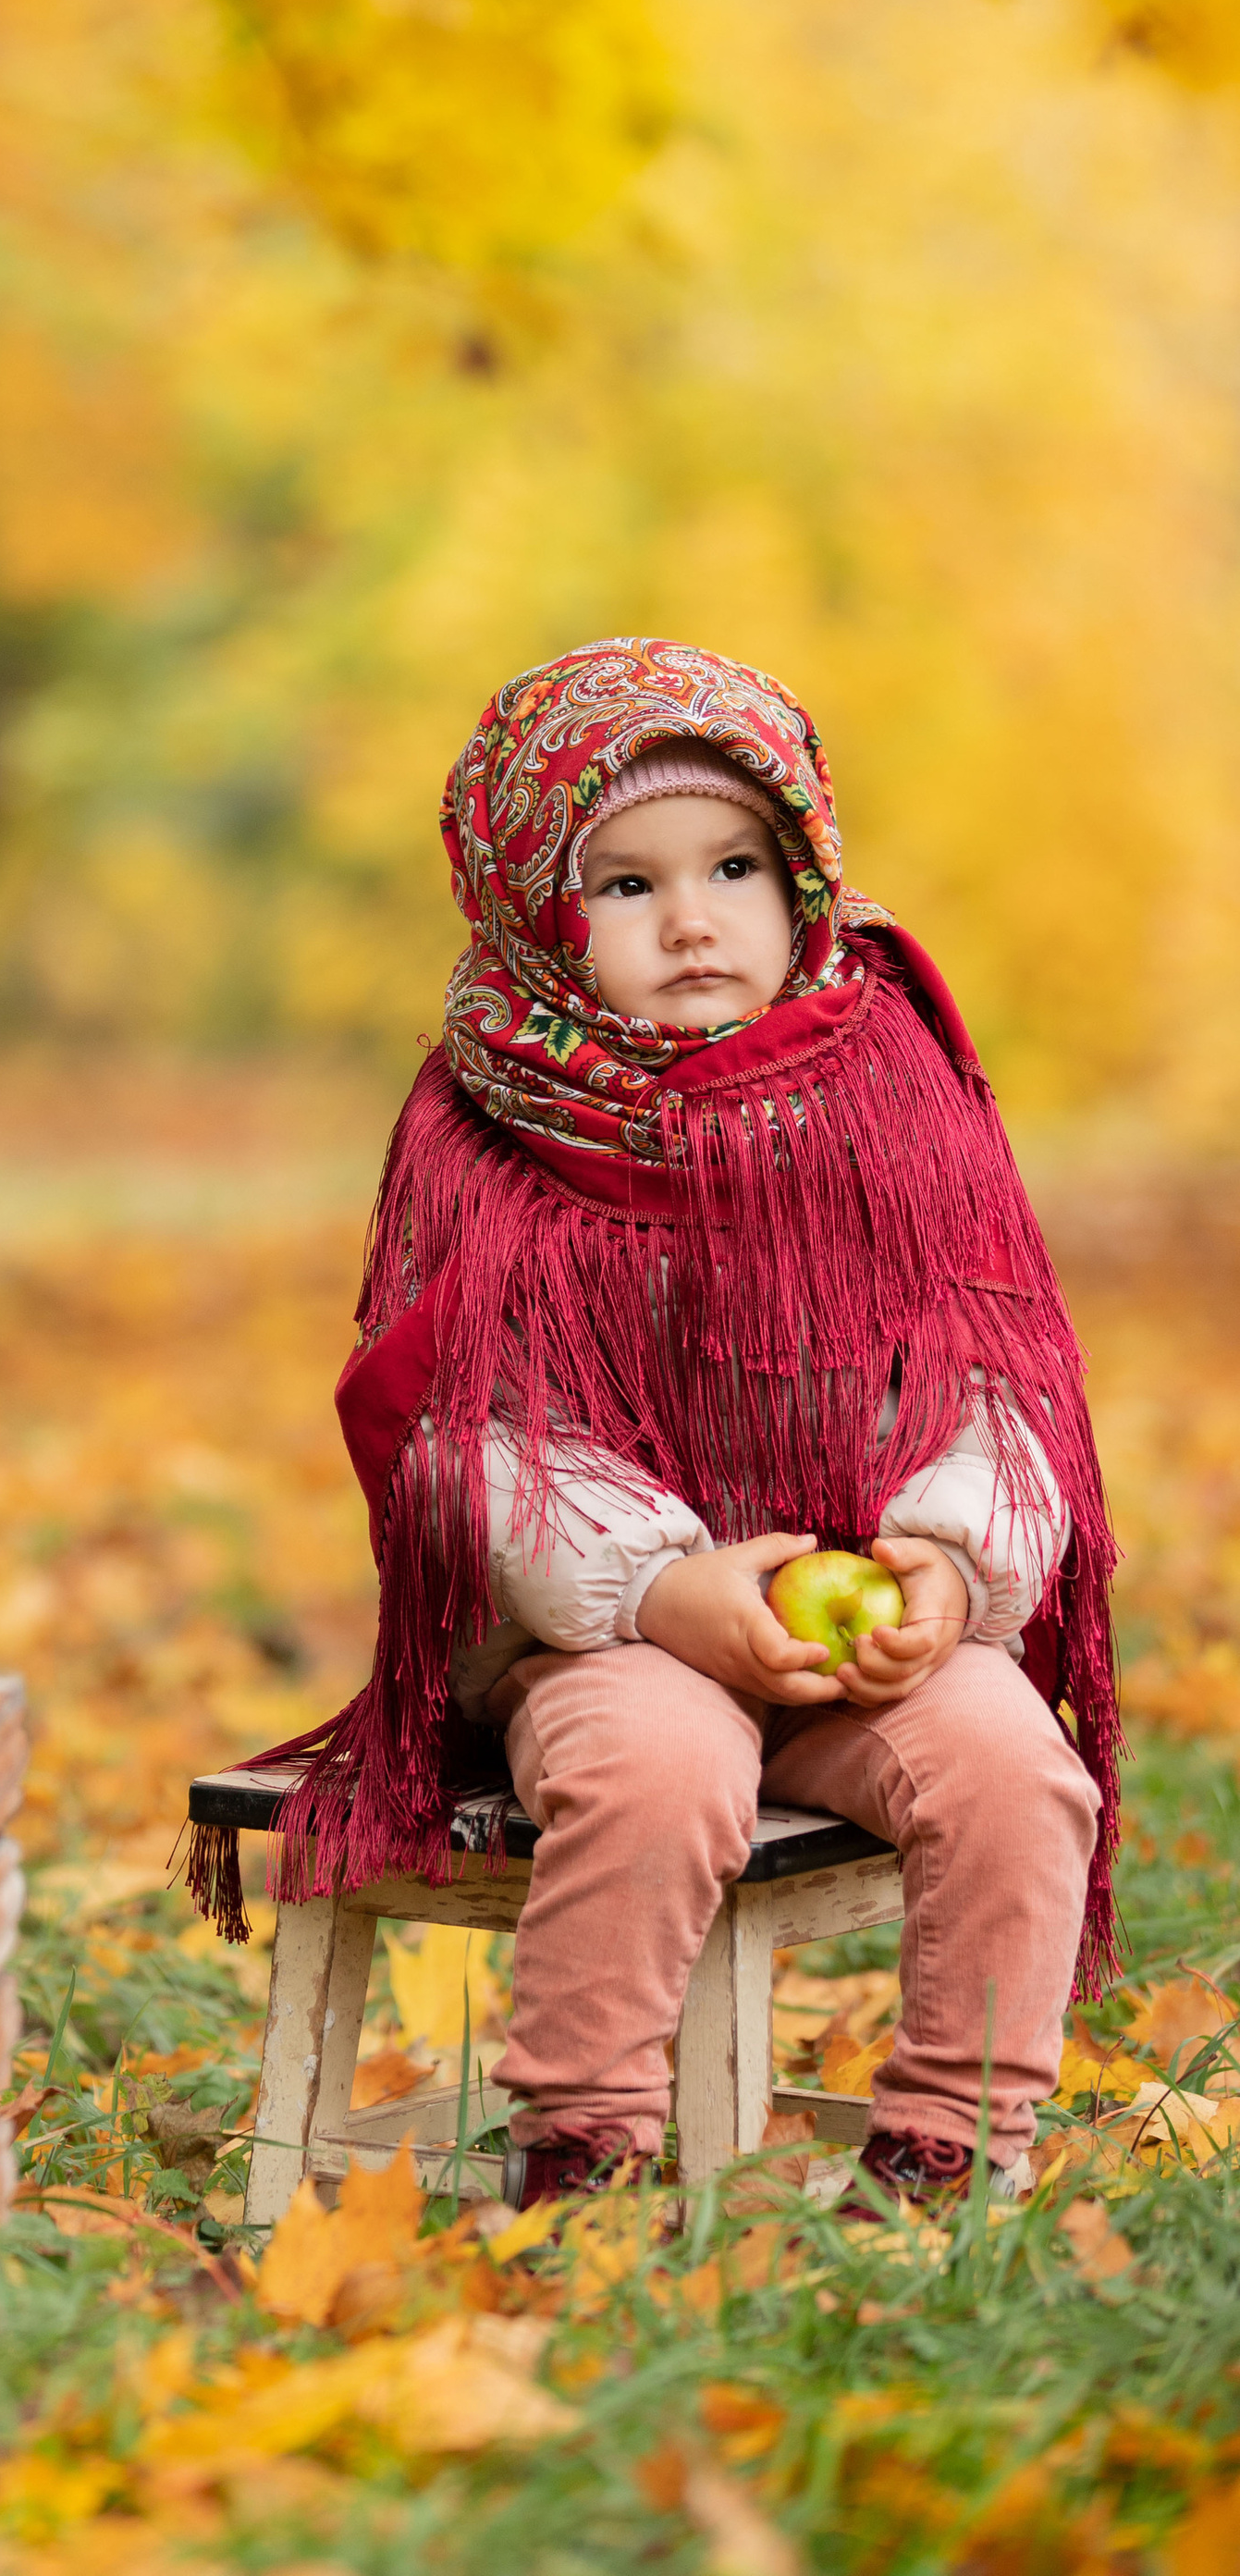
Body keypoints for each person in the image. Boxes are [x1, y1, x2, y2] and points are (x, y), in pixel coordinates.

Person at [198, 637, 1117, 2213]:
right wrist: (664, 1593)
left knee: (1017, 1774)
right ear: (540, 916)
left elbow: (1005, 1374)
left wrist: (952, 1576)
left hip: (863, 1628)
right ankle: (589, 2141)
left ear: (802, 870)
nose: (692, 918)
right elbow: (467, 1439)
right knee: (655, 1767)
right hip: (599, 1635)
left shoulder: (898, 1097)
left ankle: (954, 2144)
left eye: (734, 866)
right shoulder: (490, 1120)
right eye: (624, 887)